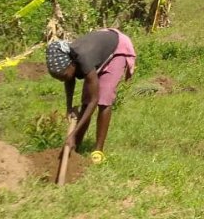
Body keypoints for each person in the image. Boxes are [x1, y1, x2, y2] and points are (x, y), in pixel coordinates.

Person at [45, 28, 137, 162]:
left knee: (103, 99)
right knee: (85, 102)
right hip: (98, 54)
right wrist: (69, 107)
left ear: (71, 65)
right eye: (58, 78)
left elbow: (94, 101)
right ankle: (76, 145)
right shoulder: (70, 61)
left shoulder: (83, 58)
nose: (62, 79)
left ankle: (98, 150)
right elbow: (69, 80)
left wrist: (72, 133)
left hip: (116, 50)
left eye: (63, 75)